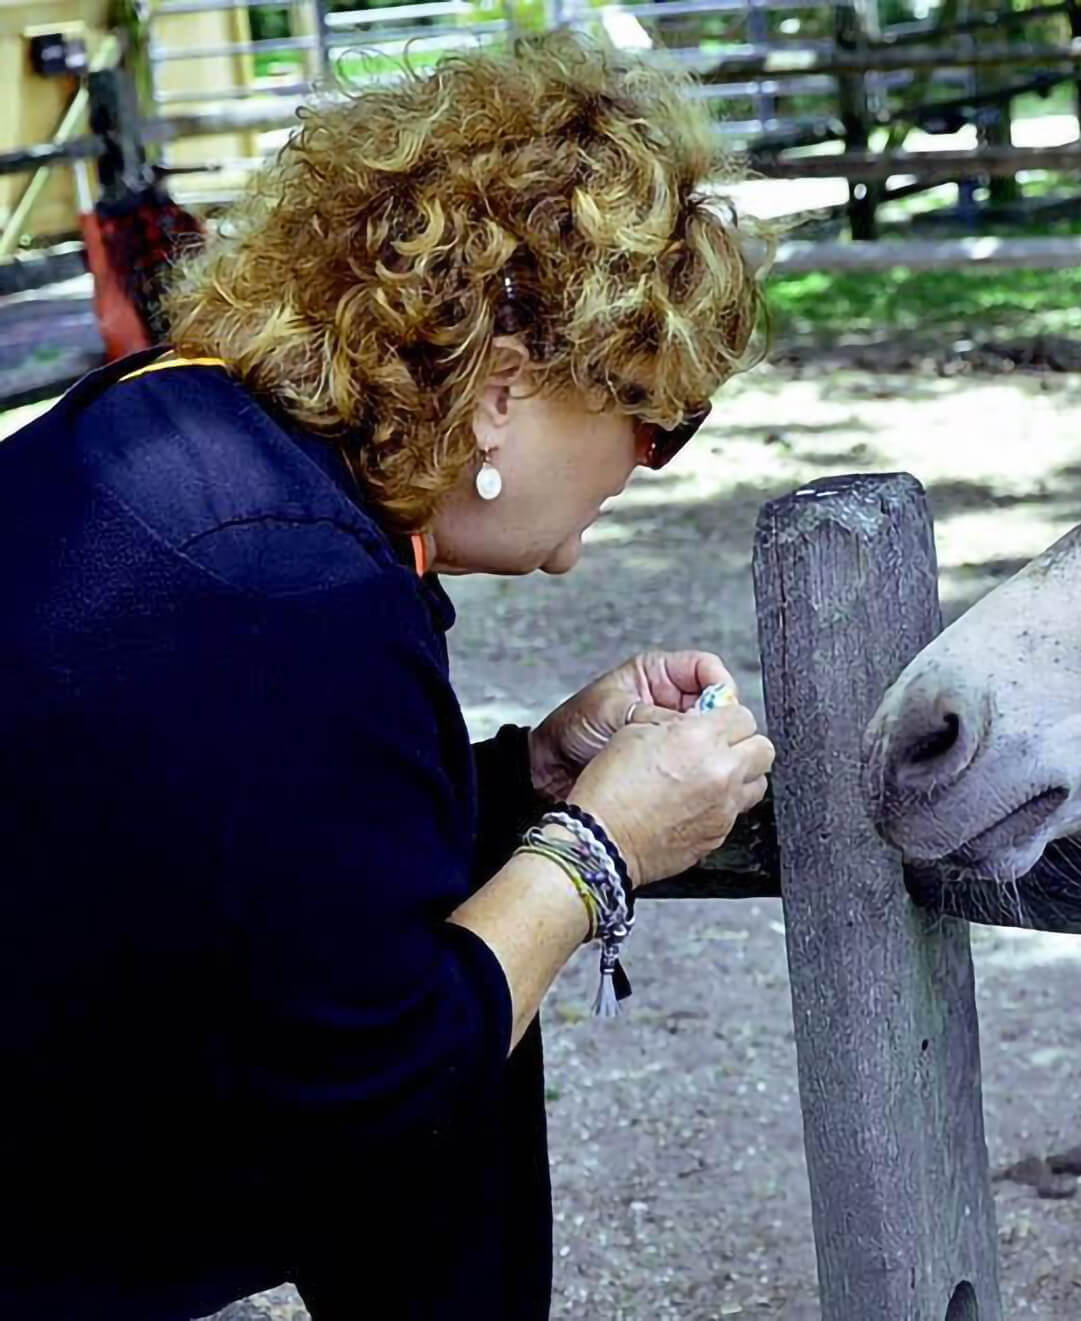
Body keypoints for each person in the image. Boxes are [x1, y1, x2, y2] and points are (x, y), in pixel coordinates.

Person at [0, 31, 774, 1319]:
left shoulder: (177, 417)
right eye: (654, 418)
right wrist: (598, 846)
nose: (653, 461)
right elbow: (385, 1074)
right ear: (503, 393)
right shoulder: (295, 587)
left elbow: (249, 851)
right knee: (461, 1028)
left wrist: (524, 774)